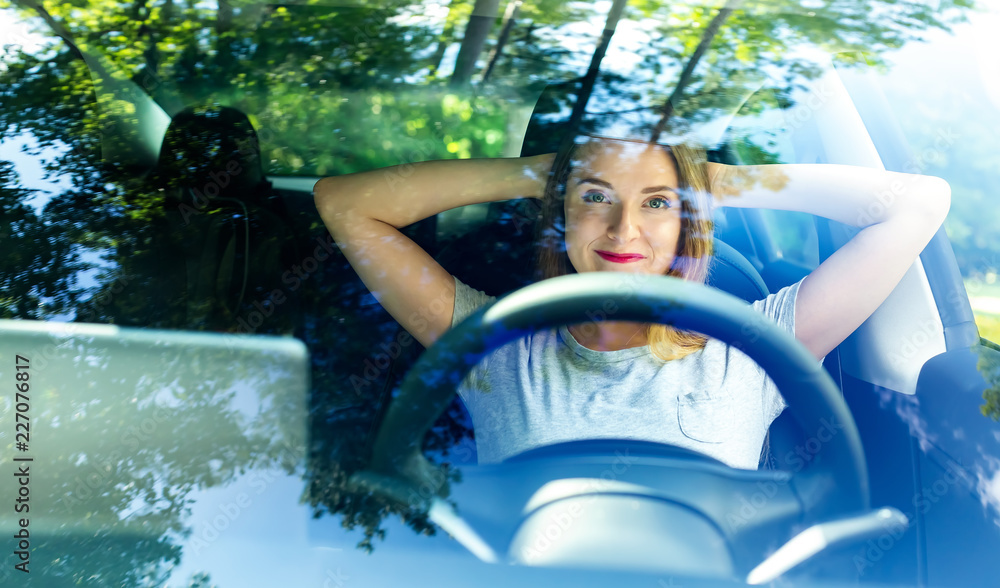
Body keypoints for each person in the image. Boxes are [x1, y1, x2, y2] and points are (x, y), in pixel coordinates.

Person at [313, 134, 951, 470]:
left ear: (687, 223)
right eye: (594, 197)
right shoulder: (495, 344)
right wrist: (538, 173)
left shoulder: (759, 348)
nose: (623, 231)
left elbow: (918, 203)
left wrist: (718, 181)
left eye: (656, 202)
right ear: (559, 214)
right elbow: (344, 203)